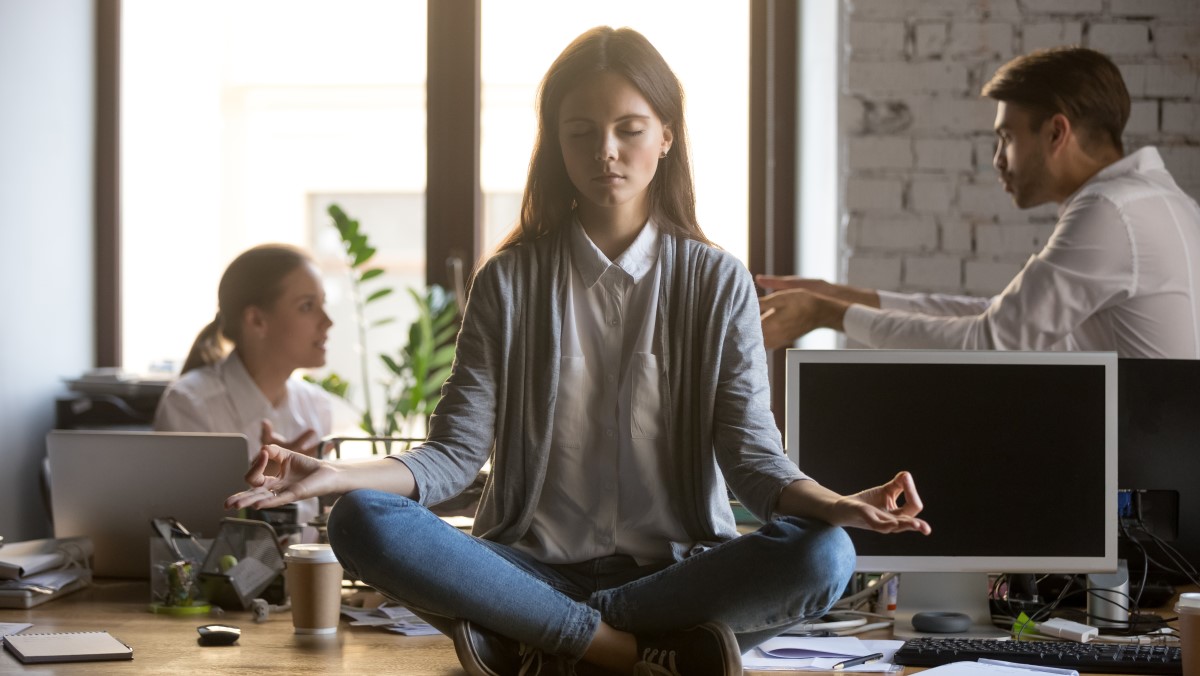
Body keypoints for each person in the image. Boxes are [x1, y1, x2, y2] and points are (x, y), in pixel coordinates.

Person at [226, 27, 930, 676]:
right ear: (556, 145)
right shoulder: (508, 281)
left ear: (666, 137)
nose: (605, 152)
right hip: (528, 570)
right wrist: (335, 474)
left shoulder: (718, 281)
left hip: (674, 578)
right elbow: (451, 457)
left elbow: (753, 461)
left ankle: (539, 638)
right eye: (581, 132)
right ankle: (626, 652)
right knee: (359, 517)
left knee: (826, 552)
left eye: (629, 129)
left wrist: (838, 504)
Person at [758, 47, 1200, 358]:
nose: (997, 160)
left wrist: (830, 315)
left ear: (1056, 133)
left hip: (1140, 462)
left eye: (1007, 137)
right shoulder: (1157, 201)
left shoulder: (1109, 213)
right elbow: (997, 317)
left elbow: (989, 343)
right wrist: (841, 297)